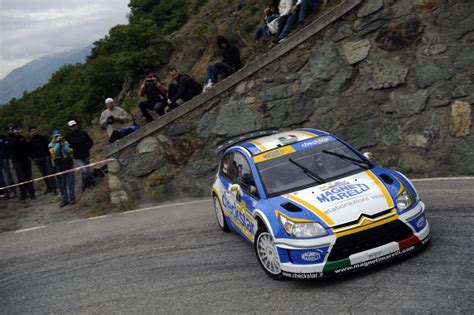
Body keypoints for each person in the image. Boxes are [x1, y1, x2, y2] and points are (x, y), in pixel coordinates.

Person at [5, 124, 35, 200]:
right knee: (21, 178)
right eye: (10, 129)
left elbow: (26, 146)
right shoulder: (8, 139)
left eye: (13, 129)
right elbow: (11, 146)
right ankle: (23, 194)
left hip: (25, 159)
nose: (12, 130)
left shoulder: (21, 137)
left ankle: (31, 193)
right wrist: (17, 136)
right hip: (17, 161)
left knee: (28, 177)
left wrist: (30, 155)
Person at [65, 120, 95, 190]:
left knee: (86, 170)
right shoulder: (68, 136)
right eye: (72, 126)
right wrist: (71, 151)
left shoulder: (83, 133)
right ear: (69, 127)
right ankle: (92, 181)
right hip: (77, 156)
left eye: (74, 125)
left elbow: (90, 141)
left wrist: (87, 148)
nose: (74, 127)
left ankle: (84, 185)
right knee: (84, 170)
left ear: (77, 125)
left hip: (86, 154)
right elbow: (67, 147)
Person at [49, 130, 75, 207]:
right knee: (62, 183)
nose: (58, 137)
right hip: (59, 164)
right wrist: (58, 144)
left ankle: (72, 198)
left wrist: (63, 145)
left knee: (71, 181)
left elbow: (68, 151)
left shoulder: (65, 142)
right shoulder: (50, 145)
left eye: (58, 136)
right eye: (56, 136)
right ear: (53, 137)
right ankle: (64, 199)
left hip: (67, 162)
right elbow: (55, 152)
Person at [29, 126, 57, 194]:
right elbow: (30, 151)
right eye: (32, 131)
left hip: (46, 157)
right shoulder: (30, 142)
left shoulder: (43, 138)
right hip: (38, 159)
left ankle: (54, 188)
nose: (33, 132)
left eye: (34, 130)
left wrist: (49, 155)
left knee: (49, 173)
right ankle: (49, 187)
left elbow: (48, 146)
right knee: (44, 174)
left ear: (36, 131)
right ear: (30, 132)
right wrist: (33, 158)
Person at [0, 131, 17, 199]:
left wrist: (8, 157)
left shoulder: (3, 137)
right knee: (1, 178)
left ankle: (12, 191)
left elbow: (7, 147)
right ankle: (4, 192)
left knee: (7, 175)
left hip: (4, 159)